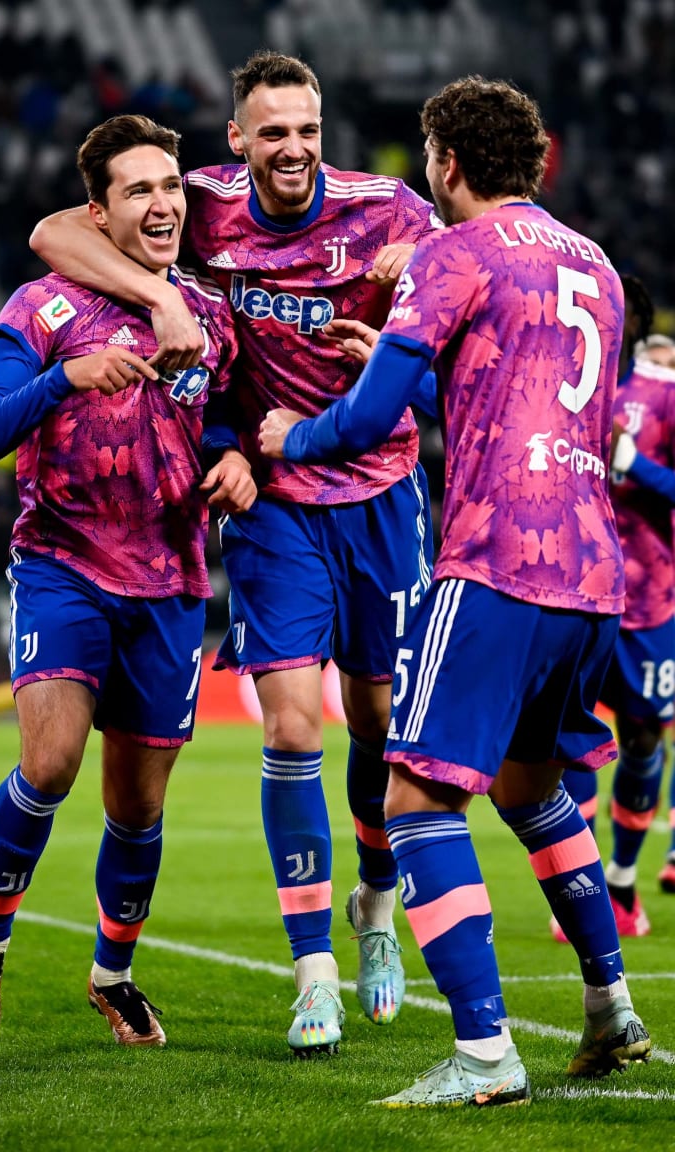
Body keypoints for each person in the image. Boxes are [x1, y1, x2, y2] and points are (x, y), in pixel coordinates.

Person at [30, 50, 439, 1055]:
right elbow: (49, 232)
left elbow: (464, 284)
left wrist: (416, 271)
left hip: (383, 491)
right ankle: (312, 975)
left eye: (307, 129)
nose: (293, 148)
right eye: (273, 132)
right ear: (238, 140)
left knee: (382, 733)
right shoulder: (202, 206)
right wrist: (161, 301)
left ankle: (376, 915)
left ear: (320, 131)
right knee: (293, 730)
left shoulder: (390, 207)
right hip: (271, 499)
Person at [258, 75, 651, 1106]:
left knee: (417, 800)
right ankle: (611, 1009)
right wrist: (406, 366)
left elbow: (363, 423)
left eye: (430, 156)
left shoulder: (451, 250)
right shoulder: (597, 263)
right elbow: (536, 399)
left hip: (498, 560)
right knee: (530, 788)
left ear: (447, 163)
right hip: (593, 570)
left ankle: (484, 1055)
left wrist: (289, 433)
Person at [0, 114, 256, 1047]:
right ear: (99, 209)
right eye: (139, 190)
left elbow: (218, 419)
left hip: (170, 582)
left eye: (171, 187)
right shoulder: (45, 307)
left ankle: (113, 974)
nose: (163, 204)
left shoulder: (208, 315)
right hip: (64, 564)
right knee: (50, 764)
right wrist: (64, 380)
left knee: (140, 805)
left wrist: (235, 461)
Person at [558, 285, 675, 934]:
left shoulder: (663, 395)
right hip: (572, 588)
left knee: (641, 742)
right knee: (567, 741)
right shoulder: (558, 382)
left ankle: (622, 882)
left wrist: (637, 465)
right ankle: (577, 891)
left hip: (649, 602)